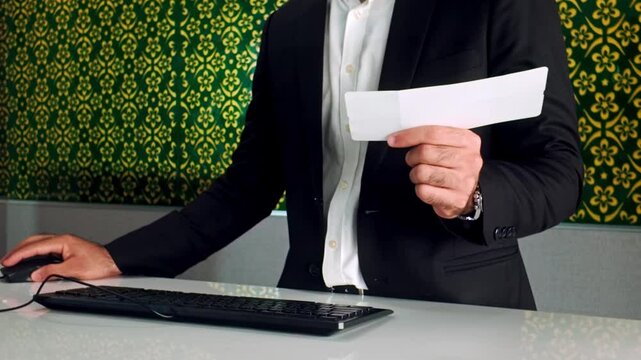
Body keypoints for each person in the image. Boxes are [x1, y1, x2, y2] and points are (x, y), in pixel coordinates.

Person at [1, 0, 582, 310]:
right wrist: (115, 257)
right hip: (310, 318)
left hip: (461, 322)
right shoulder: (289, 26)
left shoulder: (496, 3)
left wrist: (476, 193)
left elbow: (559, 171)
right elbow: (247, 188)